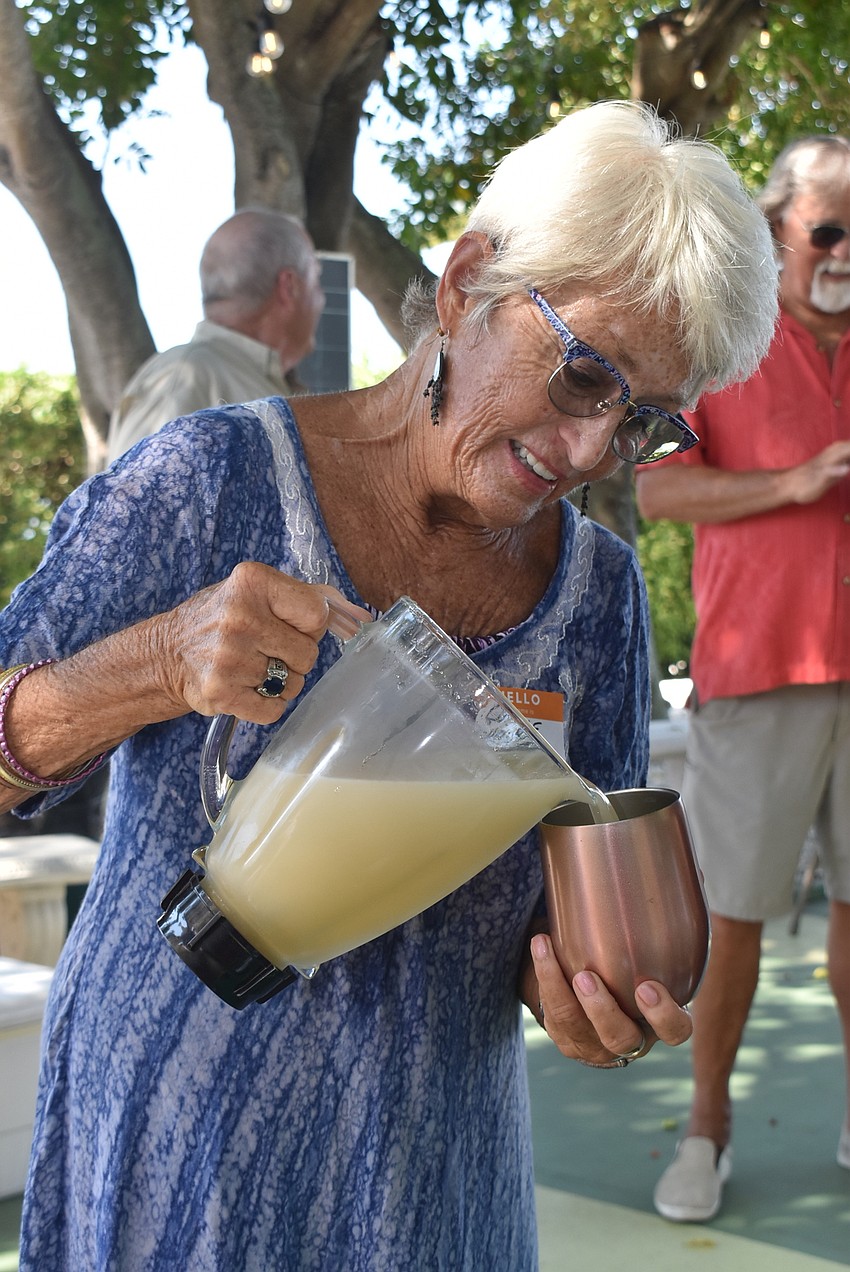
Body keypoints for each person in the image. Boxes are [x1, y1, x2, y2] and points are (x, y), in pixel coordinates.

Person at [1, 100, 777, 1271]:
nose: (587, 453)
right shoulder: (206, 484)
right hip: (171, 1167)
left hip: (429, 1192)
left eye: (643, 424)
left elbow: (562, 925)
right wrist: (153, 664)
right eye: (582, 376)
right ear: (468, 282)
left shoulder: (598, 598)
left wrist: (587, 994)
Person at [638, 134, 850, 1225]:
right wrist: (795, 481)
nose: (845, 249)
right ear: (778, 230)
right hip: (757, 674)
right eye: (829, 228)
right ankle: (705, 1130)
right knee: (734, 919)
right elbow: (659, 495)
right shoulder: (719, 339)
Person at [106, 207, 325, 461]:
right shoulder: (185, 378)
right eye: (316, 280)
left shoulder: (227, 377)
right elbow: (136, 498)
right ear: (289, 286)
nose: (322, 298)